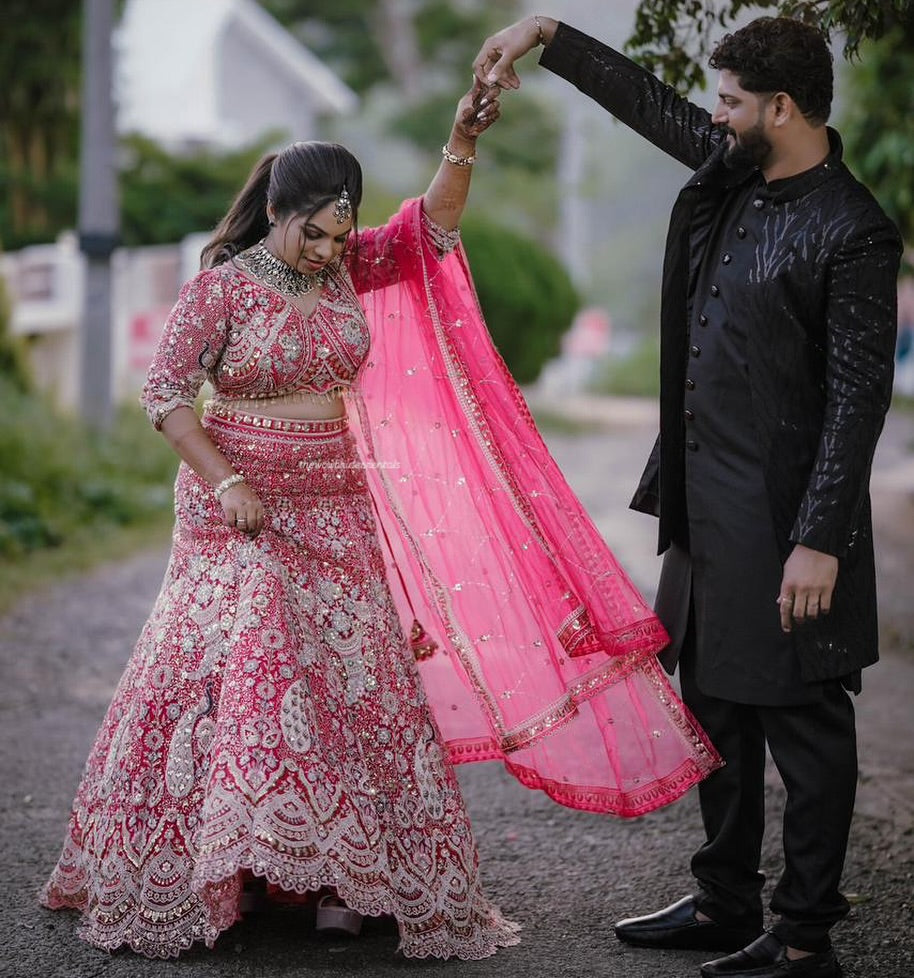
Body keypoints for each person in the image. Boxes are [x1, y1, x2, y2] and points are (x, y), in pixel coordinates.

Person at [41, 75, 721, 961]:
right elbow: (166, 395)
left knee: (351, 685)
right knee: (254, 673)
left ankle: (342, 878)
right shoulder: (220, 290)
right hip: (236, 507)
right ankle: (220, 865)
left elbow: (430, 229)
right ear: (275, 210)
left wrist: (462, 138)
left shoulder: (349, 267)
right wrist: (224, 483)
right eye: (310, 231)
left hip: (336, 503)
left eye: (338, 232)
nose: (326, 249)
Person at [473, 14, 901, 978]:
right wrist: (548, 34)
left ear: (780, 108)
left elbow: (857, 401)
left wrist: (822, 538)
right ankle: (723, 899)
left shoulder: (855, 230)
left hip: (789, 522)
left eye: (731, 101)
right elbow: (649, 106)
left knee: (804, 720)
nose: (713, 116)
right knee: (710, 705)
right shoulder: (733, 169)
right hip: (705, 508)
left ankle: (802, 938)